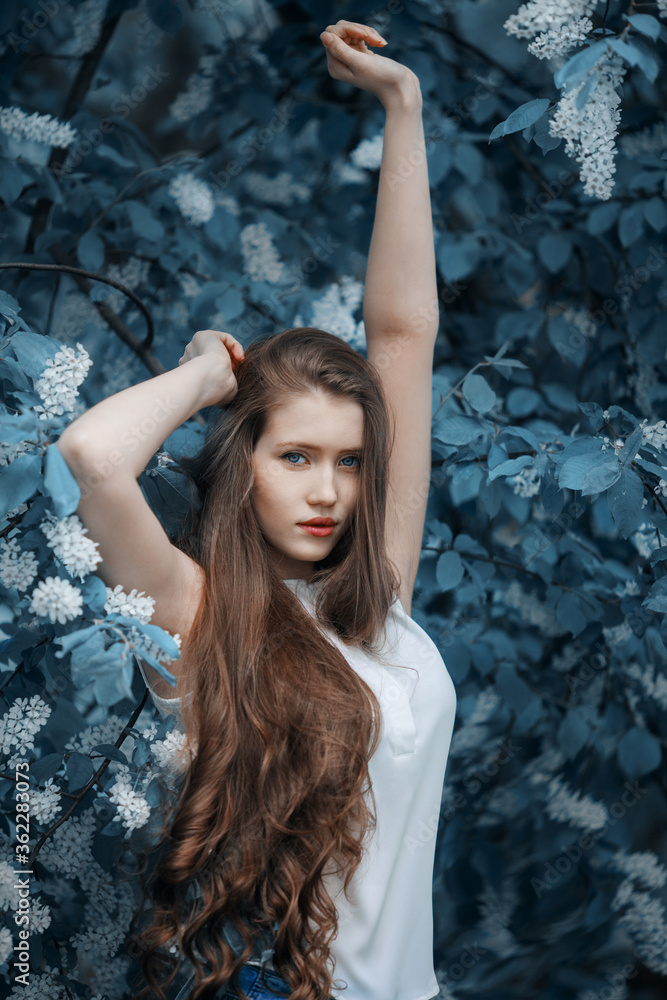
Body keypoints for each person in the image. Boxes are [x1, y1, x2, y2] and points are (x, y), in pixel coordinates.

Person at [56, 18, 457, 1000]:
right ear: (246, 465)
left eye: (350, 462)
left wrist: (402, 108)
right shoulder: (196, 616)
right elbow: (93, 457)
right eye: (295, 456)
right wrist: (204, 377)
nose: (328, 490)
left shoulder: (379, 601)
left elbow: (403, 333)